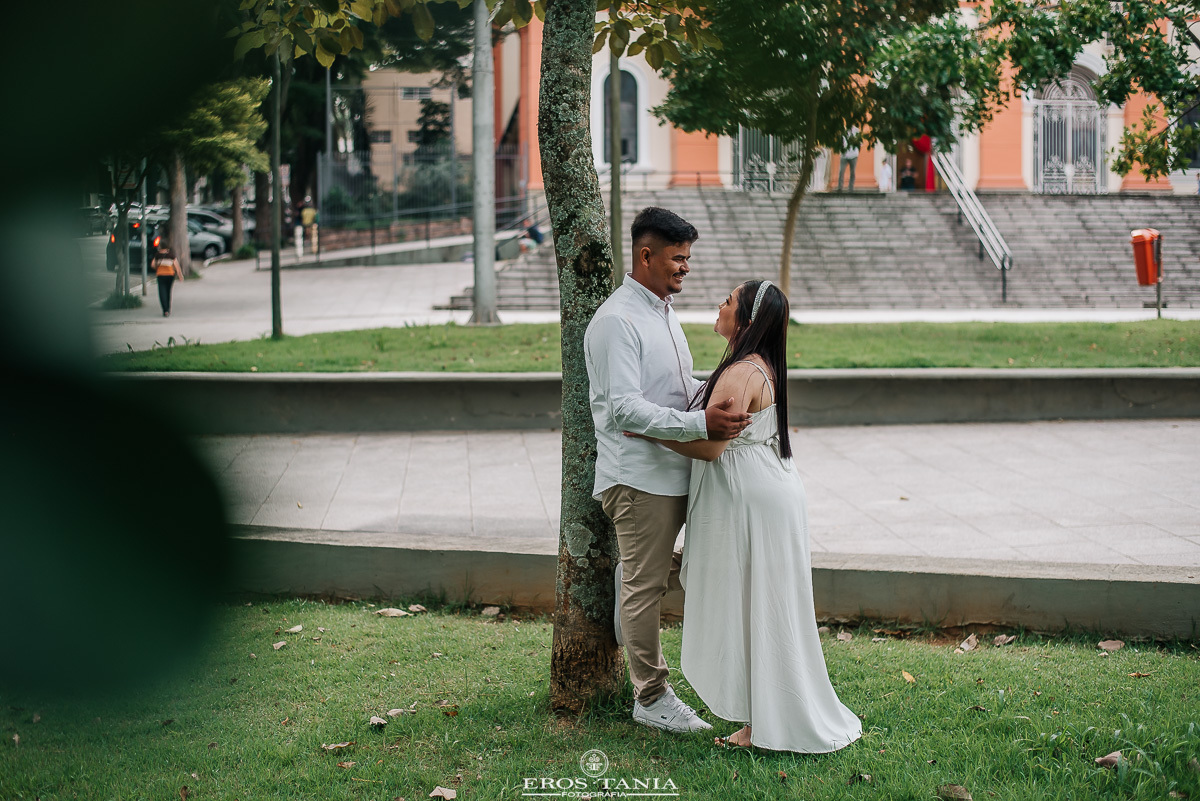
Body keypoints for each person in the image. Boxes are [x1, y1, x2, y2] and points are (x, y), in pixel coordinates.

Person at [628, 280, 863, 754]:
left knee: (758, 609)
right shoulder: (761, 366)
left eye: (729, 300)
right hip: (769, 492)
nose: (720, 304)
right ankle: (767, 717)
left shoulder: (741, 372)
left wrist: (645, 427)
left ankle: (764, 724)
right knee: (767, 607)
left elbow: (710, 446)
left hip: (751, 501)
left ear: (748, 319)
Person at [584, 206, 752, 734]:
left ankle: (633, 586)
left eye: (688, 258)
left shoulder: (661, 312)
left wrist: (722, 397)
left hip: (674, 468)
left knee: (677, 572)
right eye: (678, 258)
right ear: (646, 255)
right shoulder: (617, 321)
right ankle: (650, 696)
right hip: (638, 479)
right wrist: (700, 422)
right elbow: (624, 409)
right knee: (644, 587)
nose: (686, 268)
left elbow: (671, 391)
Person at [151, 243, 184, 317]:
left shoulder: (157, 255)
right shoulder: (171, 255)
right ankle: (168, 309)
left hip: (160, 275)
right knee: (168, 291)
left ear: (160, 247)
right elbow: (177, 266)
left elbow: (153, 265)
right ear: (168, 247)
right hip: (170, 275)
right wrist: (180, 275)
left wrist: (157, 268)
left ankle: (165, 310)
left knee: (162, 292)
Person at [837, 126, 860, 191]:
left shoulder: (857, 131)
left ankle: (851, 187)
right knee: (841, 171)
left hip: (853, 155)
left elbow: (859, 143)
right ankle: (840, 187)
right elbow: (840, 142)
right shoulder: (843, 131)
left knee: (853, 172)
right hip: (844, 155)